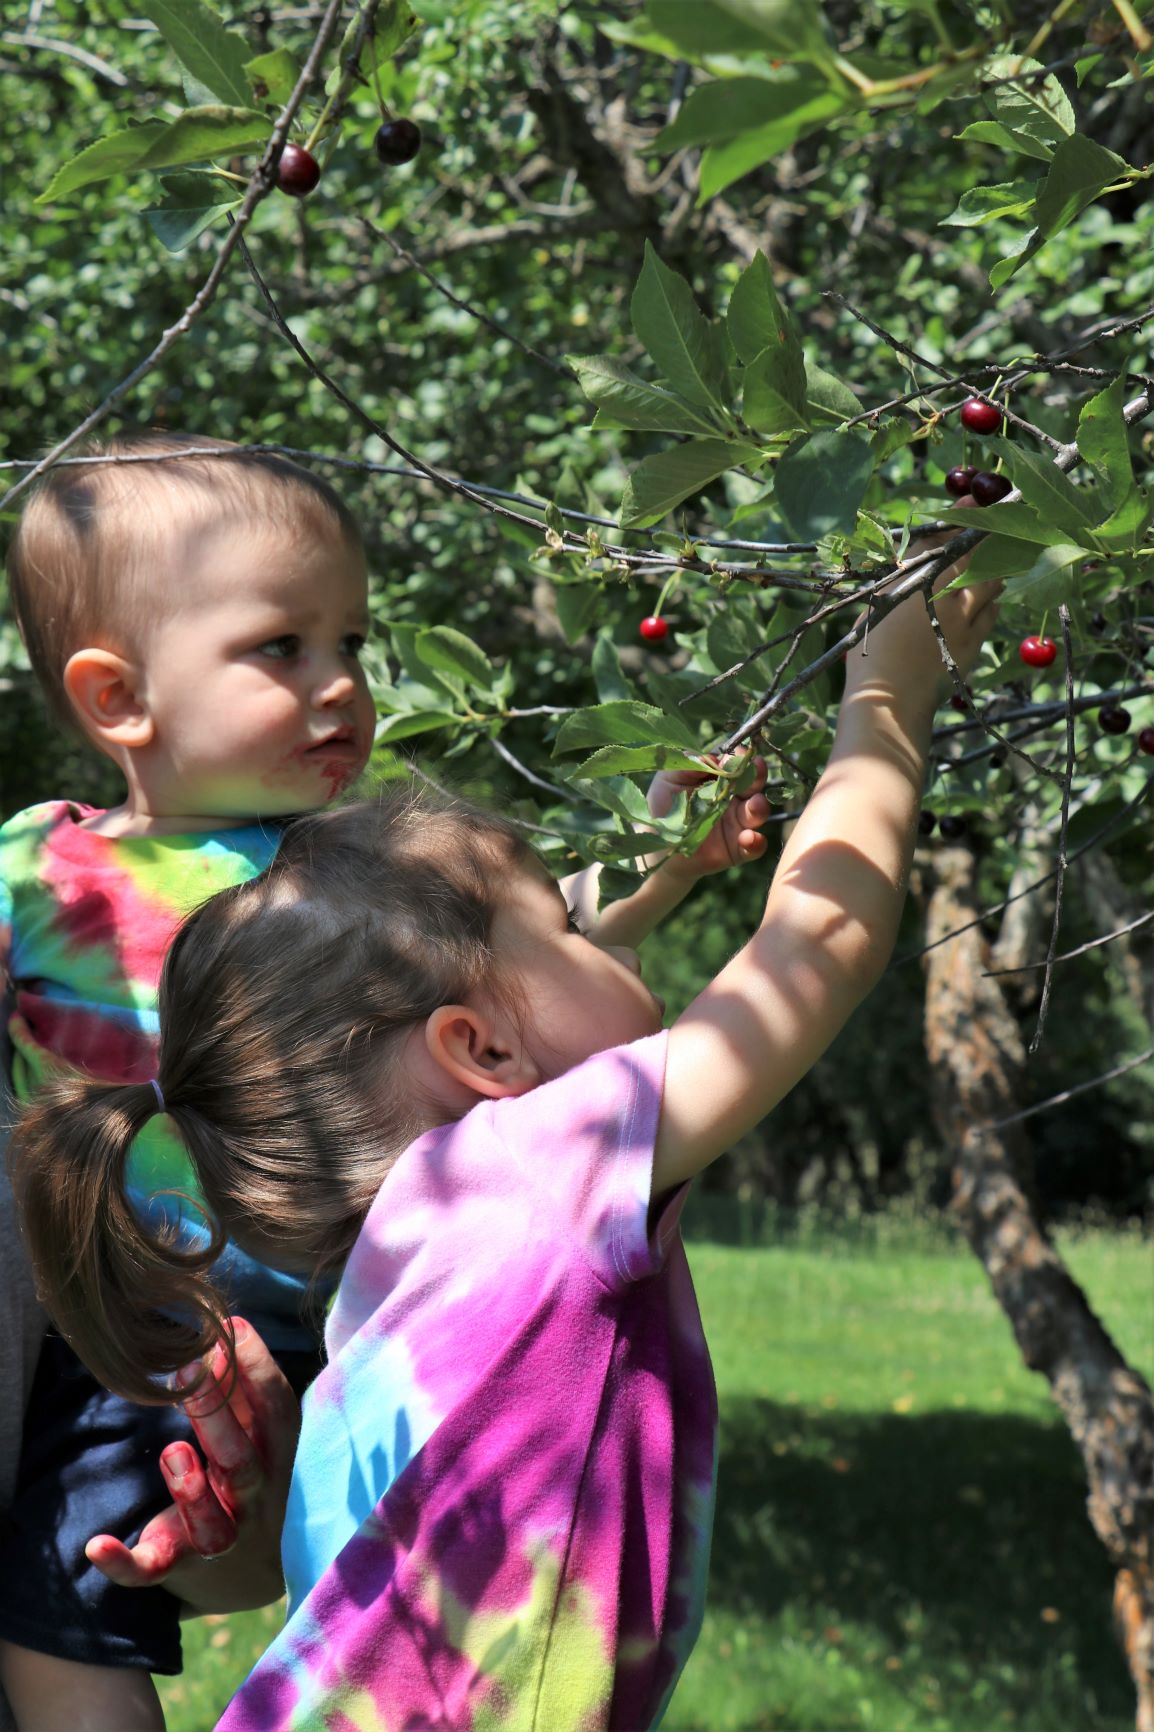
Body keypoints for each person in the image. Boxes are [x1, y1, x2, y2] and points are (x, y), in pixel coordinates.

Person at [9, 537, 998, 1729]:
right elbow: (820, 947)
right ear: (477, 1052)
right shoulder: (533, 1167)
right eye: (564, 927)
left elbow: (285, 1585)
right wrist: (889, 687)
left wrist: (647, 873)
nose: (603, 938)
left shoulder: (389, 1300)